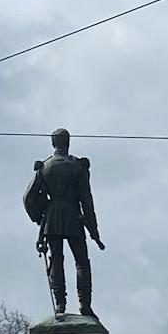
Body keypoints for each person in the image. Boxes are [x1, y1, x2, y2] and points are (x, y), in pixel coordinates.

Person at [24, 128, 105, 317]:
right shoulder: (78, 166)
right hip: (74, 217)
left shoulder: (44, 167)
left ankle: (60, 304)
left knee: (56, 259)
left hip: (52, 218)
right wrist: (94, 230)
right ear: (68, 142)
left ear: (53, 143)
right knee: (82, 263)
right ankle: (85, 304)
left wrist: (38, 217)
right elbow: (86, 200)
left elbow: (29, 197)